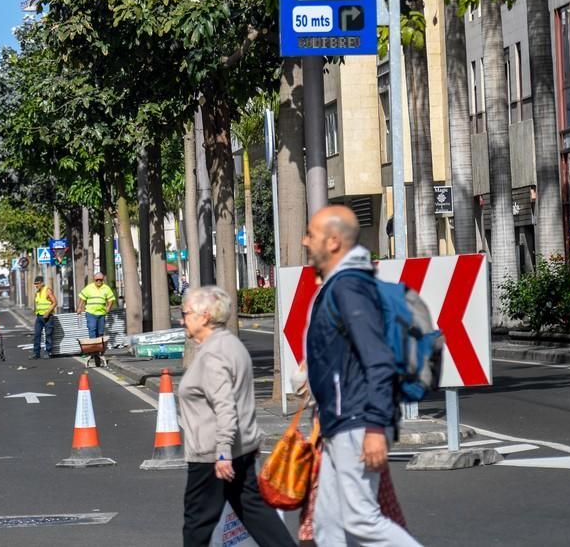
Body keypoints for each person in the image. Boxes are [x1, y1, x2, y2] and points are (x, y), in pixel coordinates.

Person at [302, 205, 420, 546]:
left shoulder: (348, 288)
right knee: (327, 525)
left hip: (356, 418)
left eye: (311, 234)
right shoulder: (339, 286)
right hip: (341, 419)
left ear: (334, 242)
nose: (305, 241)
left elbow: (378, 360)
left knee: (361, 519)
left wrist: (373, 428)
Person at [175, 285, 296, 547]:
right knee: (255, 513)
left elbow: (225, 405)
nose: (181, 318)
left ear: (205, 316)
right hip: (241, 448)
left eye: (186, 313)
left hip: (213, 454)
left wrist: (222, 452)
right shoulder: (231, 343)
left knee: (197, 523)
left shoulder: (212, 354)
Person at [78, 272, 116, 339]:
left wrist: (108, 307)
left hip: (101, 313)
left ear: (103, 280)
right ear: (94, 280)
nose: (99, 281)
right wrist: (79, 307)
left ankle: (99, 347)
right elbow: (82, 297)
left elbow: (111, 299)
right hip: (91, 313)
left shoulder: (106, 288)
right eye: (97, 280)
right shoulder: (89, 287)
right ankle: (93, 347)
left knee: (100, 332)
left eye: (100, 280)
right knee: (92, 329)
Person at [31, 276, 57, 359]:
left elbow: (54, 302)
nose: (36, 285)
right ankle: (36, 353)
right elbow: (37, 303)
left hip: (48, 316)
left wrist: (48, 312)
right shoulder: (37, 292)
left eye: (37, 284)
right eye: (35, 284)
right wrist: (35, 311)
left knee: (48, 334)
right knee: (37, 335)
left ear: (42, 283)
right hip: (39, 316)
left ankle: (48, 351)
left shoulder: (47, 290)